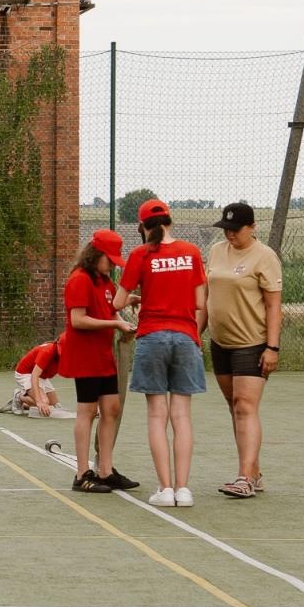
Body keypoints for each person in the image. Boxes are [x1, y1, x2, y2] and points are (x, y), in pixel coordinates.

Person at [114, 199, 206, 508]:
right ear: (171, 221)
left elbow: (116, 303)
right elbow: (199, 301)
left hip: (152, 336)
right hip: (185, 336)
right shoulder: (191, 252)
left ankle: (164, 488)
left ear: (142, 227)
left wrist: (139, 296)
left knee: (157, 415)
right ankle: (183, 489)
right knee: (182, 416)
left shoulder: (140, 254)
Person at [204, 202, 282, 500]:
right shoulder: (216, 251)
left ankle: (244, 478)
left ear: (252, 228)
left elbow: (275, 306)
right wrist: (194, 332)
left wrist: (272, 347)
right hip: (220, 343)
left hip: (252, 343)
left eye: (236, 230)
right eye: (226, 229)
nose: (230, 235)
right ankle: (255, 472)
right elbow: (207, 294)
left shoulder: (265, 256)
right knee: (234, 408)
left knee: (244, 407)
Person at [59, 228, 139, 493]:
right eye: (110, 259)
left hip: (104, 357)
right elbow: (78, 319)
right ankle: (82, 473)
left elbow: (111, 303)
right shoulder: (79, 279)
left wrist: (131, 299)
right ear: (95, 255)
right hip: (85, 357)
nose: (113, 265)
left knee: (111, 409)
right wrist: (116, 323)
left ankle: (105, 470)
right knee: (87, 411)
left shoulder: (104, 280)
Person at [9, 339, 75, 419]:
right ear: (57, 345)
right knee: (44, 402)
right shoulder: (47, 351)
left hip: (42, 376)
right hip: (26, 374)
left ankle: (25, 404)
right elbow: (34, 375)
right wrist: (39, 401)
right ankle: (18, 396)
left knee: (55, 405)